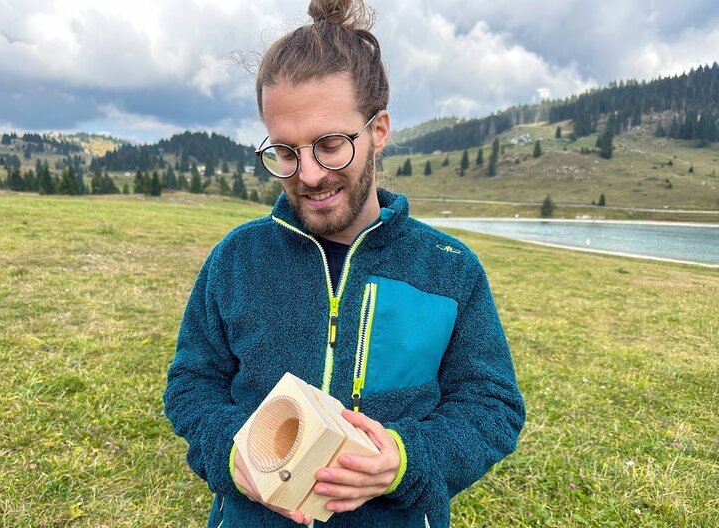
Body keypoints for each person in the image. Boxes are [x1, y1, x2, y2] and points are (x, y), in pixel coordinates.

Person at [162, 0, 525, 526]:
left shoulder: (451, 270)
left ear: (378, 130)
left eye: (330, 145)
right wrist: (230, 453)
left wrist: (407, 459)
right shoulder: (236, 260)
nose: (308, 174)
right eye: (285, 151)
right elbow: (192, 382)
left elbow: (491, 406)